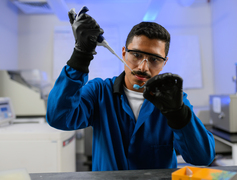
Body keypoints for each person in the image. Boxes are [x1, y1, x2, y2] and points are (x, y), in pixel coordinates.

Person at [46, 7, 215, 171]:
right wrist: (80, 56)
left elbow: (202, 157)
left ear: (165, 63)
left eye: (154, 59)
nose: (143, 67)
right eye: (137, 55)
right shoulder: (99, 92)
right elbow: (58, 117)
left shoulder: (173, 100)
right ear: (123, 53)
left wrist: (178, 115)